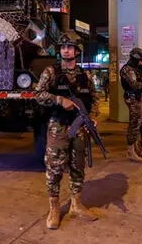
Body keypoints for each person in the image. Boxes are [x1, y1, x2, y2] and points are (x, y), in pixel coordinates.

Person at [35, 30, 99, 229]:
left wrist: (92, 117)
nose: (66, 50)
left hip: (79, 127)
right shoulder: (51, 72)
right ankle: (54, 208)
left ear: (77, 51)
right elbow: (37, 94)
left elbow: (94, 98)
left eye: (70, 47)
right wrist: (58, 99)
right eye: (63, 47)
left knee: (77, 165)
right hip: (58, 126)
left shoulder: (85, 75)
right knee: (54, 167)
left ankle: (76, 204)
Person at [119, 47, 142, 163]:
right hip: (132, 98)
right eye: (141, 61)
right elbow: (135, 85)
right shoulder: (127, 69)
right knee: (134, 123)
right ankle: (130, 151)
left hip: (140, 97)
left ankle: (136, 147)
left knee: (140, 122)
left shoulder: (139, 69)